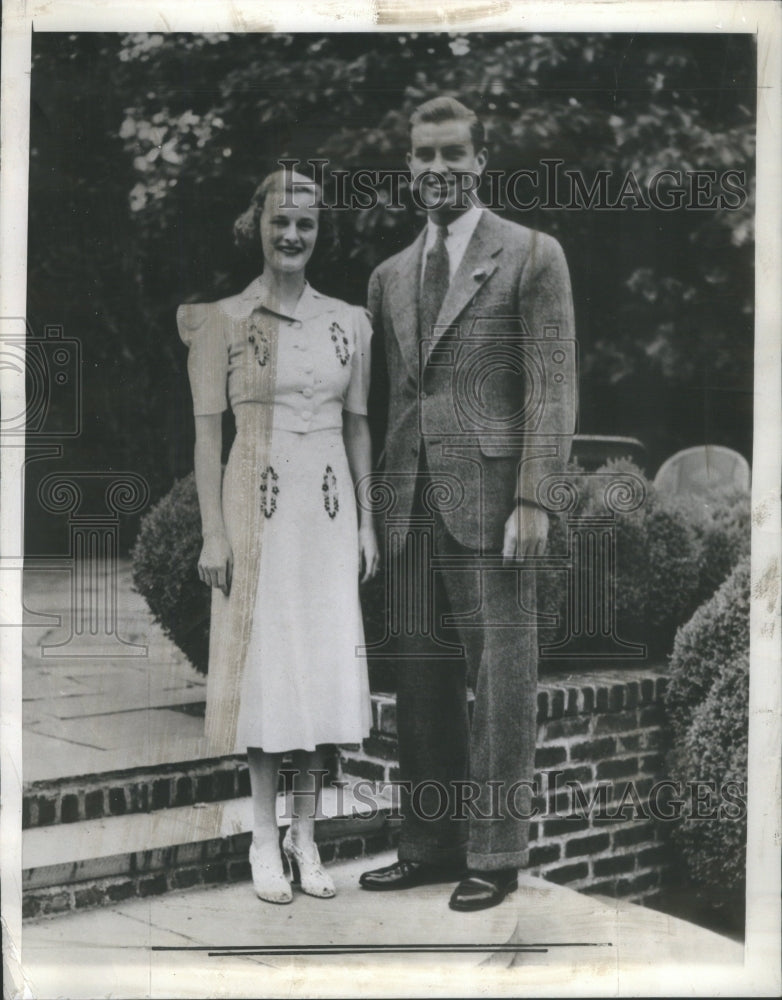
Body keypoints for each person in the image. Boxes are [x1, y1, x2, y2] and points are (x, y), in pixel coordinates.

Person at [360, 97, 577, 911]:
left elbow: (552, 387)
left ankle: (495, 852)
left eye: (455, 153)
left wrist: (535, 497)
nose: (438, 169)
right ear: (409, 166)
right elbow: (394, 404)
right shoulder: (387, 276)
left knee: (503, 677)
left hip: (494, 502)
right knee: (419, 679)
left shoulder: (531, 254)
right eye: (424, 155)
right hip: (410, 498)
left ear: (482, 159)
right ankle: (427, 845)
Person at [177, 169, 379, 904]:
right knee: (268, 671)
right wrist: (213, 534)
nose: (292, 236)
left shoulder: (349, 322)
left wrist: (367, 520)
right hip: (253, 511)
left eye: (306, 224)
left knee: (322, 669)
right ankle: (264, 835)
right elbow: (206, 439)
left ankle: (306, 833)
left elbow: (358, 425)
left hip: (325, 519)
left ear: (319, 232)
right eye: (279, 222)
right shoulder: (222, 320)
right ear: (256, 224)